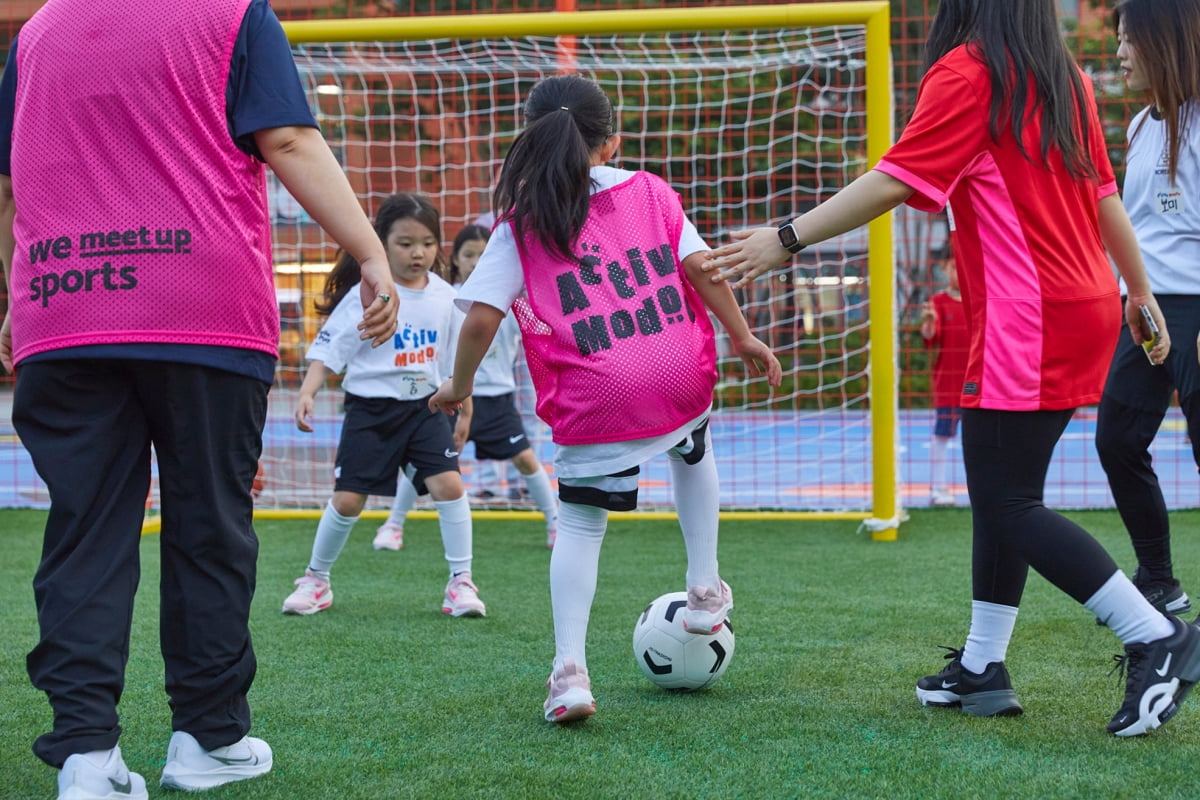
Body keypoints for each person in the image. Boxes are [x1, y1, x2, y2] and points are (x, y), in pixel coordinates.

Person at [701, 0, 1200, 737]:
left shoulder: (969, 74)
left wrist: (785, 238)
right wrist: (1139, 291)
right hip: (1083, 302)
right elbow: (1102, 198)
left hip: (1026, 315)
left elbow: (895, 179)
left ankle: (1156, 636)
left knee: (1006, 503)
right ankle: (981, 668)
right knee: (1009, 489)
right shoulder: (1064, 77)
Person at [0, 1, 399, 797]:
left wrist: (13, 293)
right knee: (209, 528)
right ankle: (207, 741)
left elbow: (10, 186)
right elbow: (287, 139)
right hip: (201, 309)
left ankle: (85, 757)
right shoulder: (233, 13)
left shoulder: (35, 33)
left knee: (83, 532)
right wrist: (368, 250)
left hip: (65, 301)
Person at [428, 74, 782, 724]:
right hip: (677, 374)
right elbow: (702, 269)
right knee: (693, 449)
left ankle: (569, 673)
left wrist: (459, 384)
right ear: (612, 138)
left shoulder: (520, 224)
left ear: (529, 138)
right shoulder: (651, 191)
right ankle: (704, 586)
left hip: (595, 394)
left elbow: (480, 320)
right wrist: (744, 336)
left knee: (583, 526)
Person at [282, 193, 487, 620]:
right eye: (405, 243)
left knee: (449, 487)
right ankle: (316, 580)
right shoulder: (369, 295)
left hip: (426, 409)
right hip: (370, 413)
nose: (418, 253)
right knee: (348, 501)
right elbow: (331, 347)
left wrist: (465, 409)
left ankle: (461, 582)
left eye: (428, 243)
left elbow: (454, 363)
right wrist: (307, 390)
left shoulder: (447, 297)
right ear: (381, 242)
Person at [1094, 0, 1200, 619]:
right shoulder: (1139, 126)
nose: (1119, 53)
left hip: (1197, 311)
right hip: (1146, 312)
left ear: (1163, 41)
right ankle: (1159, 579)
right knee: (1117, 441)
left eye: (1129, 39)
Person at [375, 224, 561, 550]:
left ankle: (555, 522)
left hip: (495, 399)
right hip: (451, 397)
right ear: (456, 260)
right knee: (422, 462)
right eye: (468, 255)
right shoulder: (448, 299)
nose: (476, 261)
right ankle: (393, 525)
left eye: (482, 254)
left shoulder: (512, 298)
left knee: (526, 460)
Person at [919, 251, 968, 506]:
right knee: (943, 434)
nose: (958, 272)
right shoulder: (938, 301)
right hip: (949, 383)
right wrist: (928, 323)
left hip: (978, 383)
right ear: (945, 270)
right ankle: (938, 488)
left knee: (979, 439)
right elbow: (930, 337)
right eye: (953, 267)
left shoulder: (979, 300)